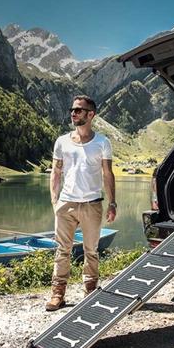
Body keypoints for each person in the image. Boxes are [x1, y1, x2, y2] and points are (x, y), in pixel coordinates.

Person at [46, 95, 116, 311]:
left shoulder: (102, 142)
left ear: (90, 114)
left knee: (91, 251)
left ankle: (90, 292)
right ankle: (58, 294)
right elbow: (56, 172)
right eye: (72, 110)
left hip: (92, 204)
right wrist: (55, 201)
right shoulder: (62, 141)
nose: (73, 113)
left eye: (78, 110)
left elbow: (107, 174)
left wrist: (112, 203)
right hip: (66, 204)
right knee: (62, 250)